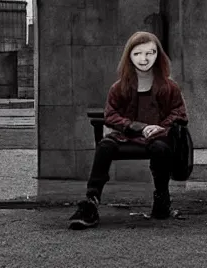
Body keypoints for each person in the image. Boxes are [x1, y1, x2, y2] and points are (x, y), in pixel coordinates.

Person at [68, 31, 188, 230]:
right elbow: (111, 115)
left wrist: (161, 127)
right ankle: (91, 202)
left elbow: (180, 113)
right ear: (129, 56)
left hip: (158, 138)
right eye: (138, 54)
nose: (144, 59)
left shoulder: (169, 87)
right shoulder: (119, 87)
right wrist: (137, 127)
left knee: (161, 149)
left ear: (158, 55)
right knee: (105, 146)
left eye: (150, 53)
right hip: (126, 136)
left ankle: (162, 198)